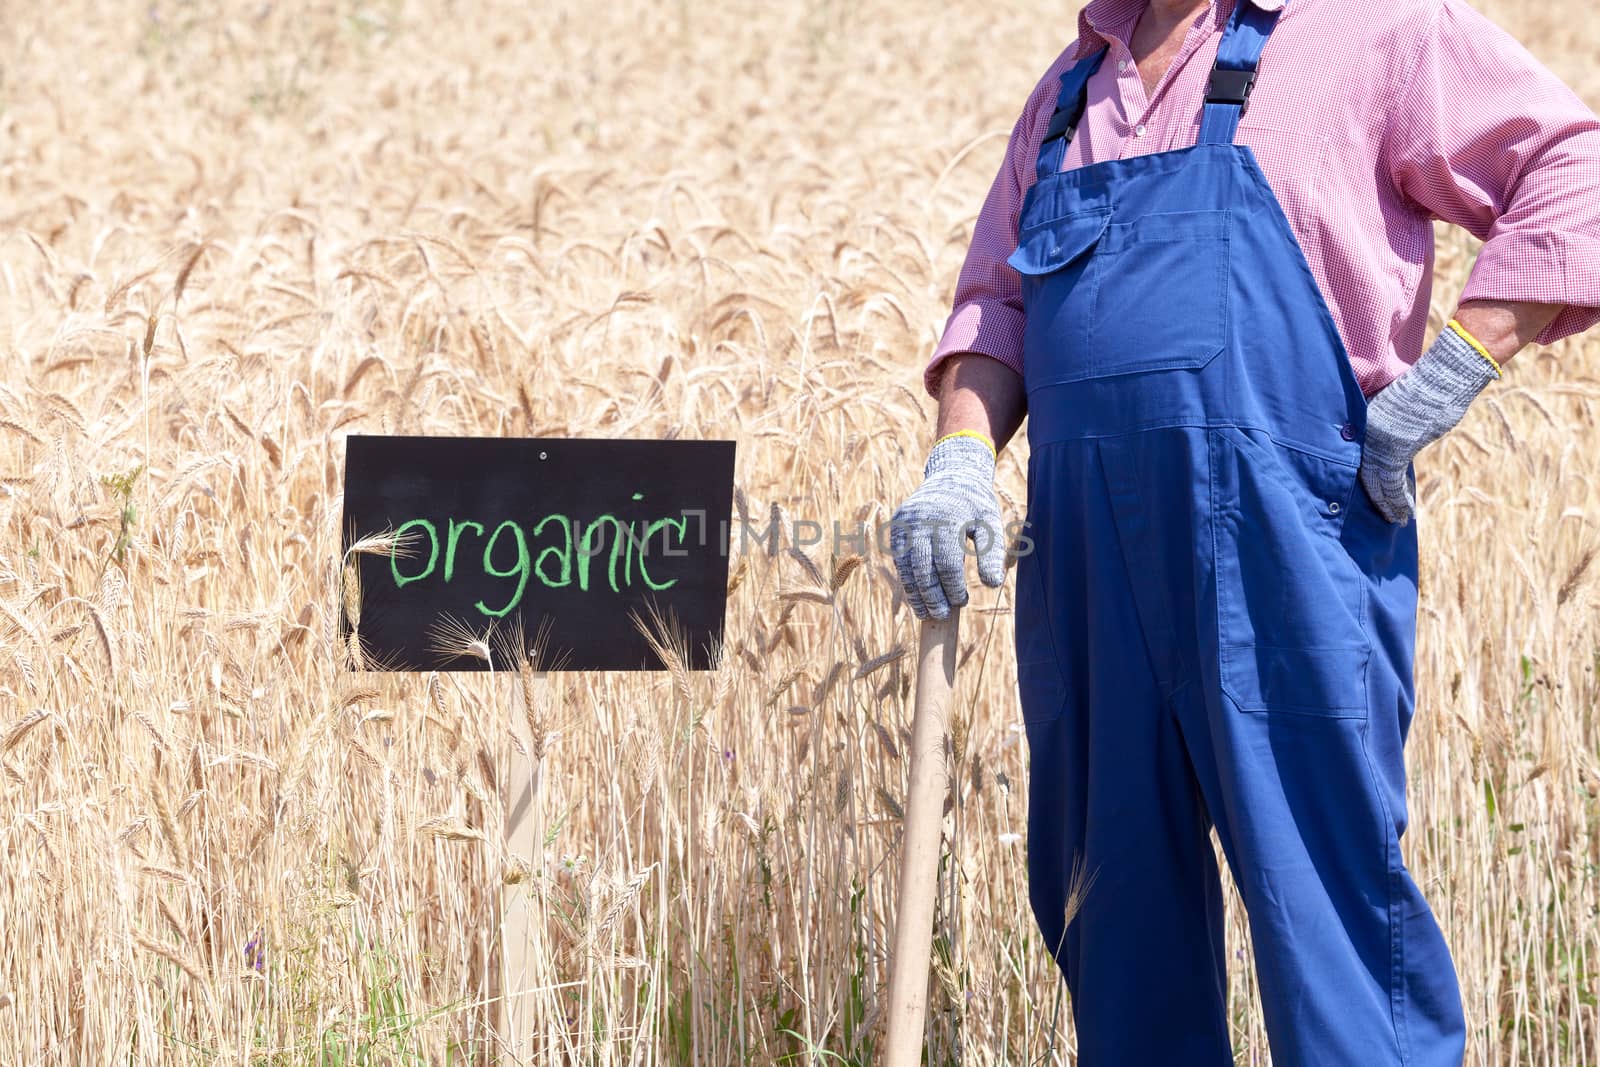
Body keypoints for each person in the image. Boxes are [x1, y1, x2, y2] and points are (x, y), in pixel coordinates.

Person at [888, 0, 1600, 1062]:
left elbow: (1573, 170)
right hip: (1088, 568)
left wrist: (1458, 362)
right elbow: (996, 308)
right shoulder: (1067, 91)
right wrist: (958, 459)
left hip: (1284, 546)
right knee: (1113, 923)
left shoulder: (1374, 33)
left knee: (1327, 915)